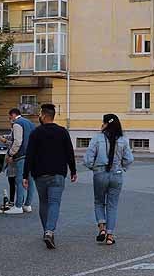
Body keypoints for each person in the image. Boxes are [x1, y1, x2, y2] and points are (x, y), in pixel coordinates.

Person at [22, 103, 77, 249]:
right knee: (54, 203)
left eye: (40, 114)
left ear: (45, 116)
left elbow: (30, 155)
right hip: (58, 173)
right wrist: (73, 170)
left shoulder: (36, 133)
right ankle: (49, 231)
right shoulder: (62, 132)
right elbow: (69, 153)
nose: (39, 116)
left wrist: (25, 175)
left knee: (44, 203)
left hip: (40, 174)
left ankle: (46, 230)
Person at [83, 113, 134, 245]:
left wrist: (93, 168)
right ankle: (110, 235)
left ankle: (102, 228)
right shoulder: (123, 139)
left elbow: (88, 158)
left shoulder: (97, 138)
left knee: (99, 202)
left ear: (105, 124)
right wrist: (122, 167)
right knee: (112, 205)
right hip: (116, 174)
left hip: (100, 173)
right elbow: (129, 159)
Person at [5, 108, 36, 215]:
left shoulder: (17, 124)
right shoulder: (30, 123)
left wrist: (10, 154)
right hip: (32, 156)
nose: (10, 119)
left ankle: (18, 206)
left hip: (21, 156)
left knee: (20, 180)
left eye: (10, 117)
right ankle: (28, 205)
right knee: (31, 181)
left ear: (13, 115)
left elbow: (18, 141)